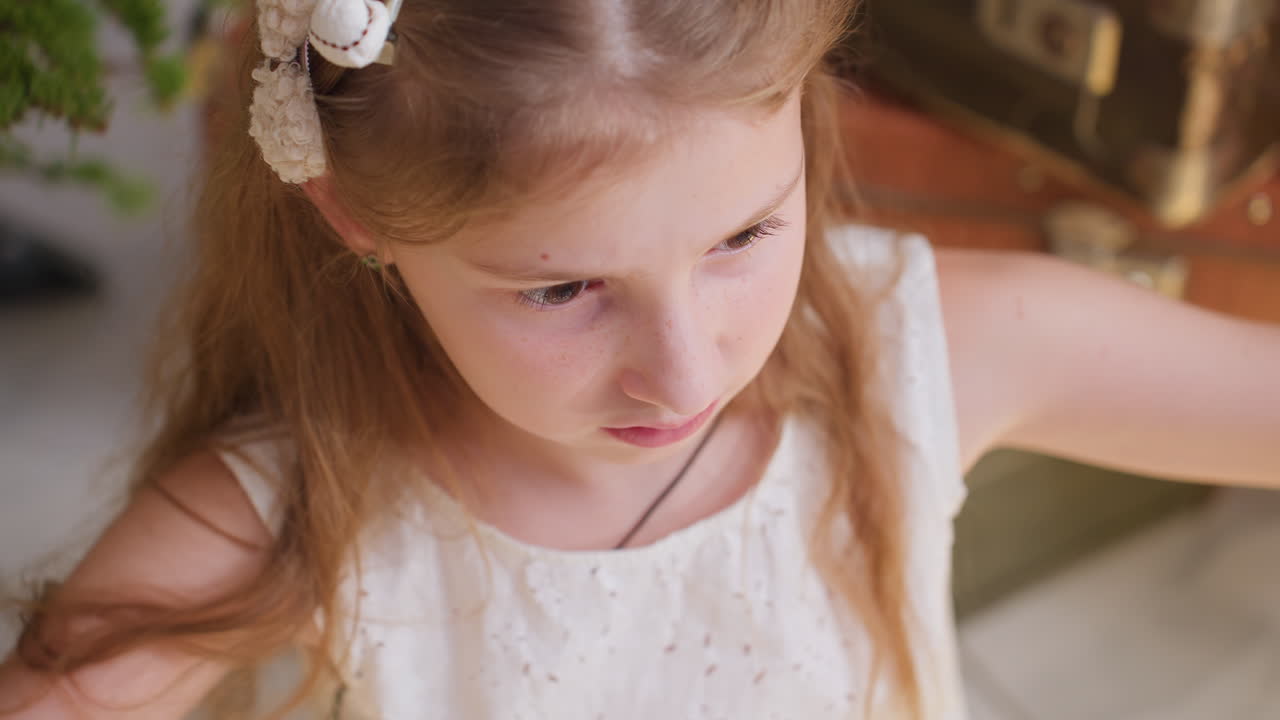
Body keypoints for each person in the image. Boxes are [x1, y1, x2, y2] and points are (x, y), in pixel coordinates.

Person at [2, 0, 1277, 718]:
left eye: (744, 235)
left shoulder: (926, 350)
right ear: (358, 218)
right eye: (560, 288)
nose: (682, 373)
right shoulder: (297, 510)